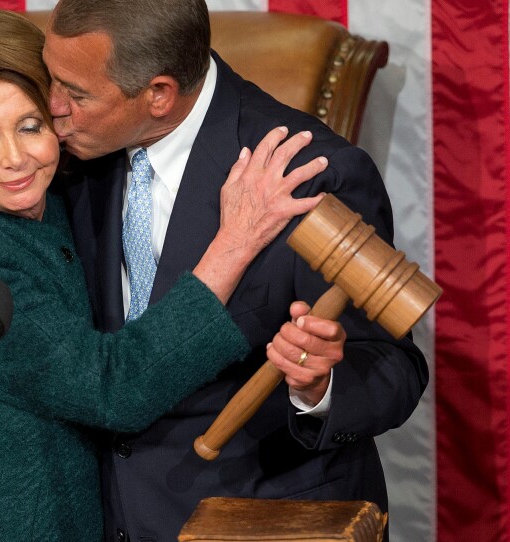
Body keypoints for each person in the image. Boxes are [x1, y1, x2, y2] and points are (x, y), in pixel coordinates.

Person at [0, 9, 326, 541]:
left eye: (30, 125)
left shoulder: (64, 191)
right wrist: (234, 242)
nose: (15, 158)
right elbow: (114, 389)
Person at [41, 1, 428, 540]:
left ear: (158, 94)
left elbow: (394, 369)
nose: (51, 108)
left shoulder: (309, 176)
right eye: (50, 79)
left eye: (76, 95)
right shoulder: (62, 153)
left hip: (255, 518)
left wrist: (320, 385)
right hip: (100, 516)